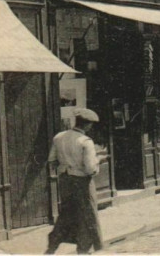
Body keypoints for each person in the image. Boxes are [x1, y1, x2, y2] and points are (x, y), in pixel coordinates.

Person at [46, 108, 103, 254]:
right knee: (88, 215)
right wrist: (99, 161)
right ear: (87, 125)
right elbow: (90, 169)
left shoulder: (59, 137)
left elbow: (51, 160)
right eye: (90, 125)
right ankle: (87, 248)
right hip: (82, 182)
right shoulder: (86, 142)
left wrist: (65, 165)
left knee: (67, 213)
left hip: (65, 180)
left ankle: (52, 246)